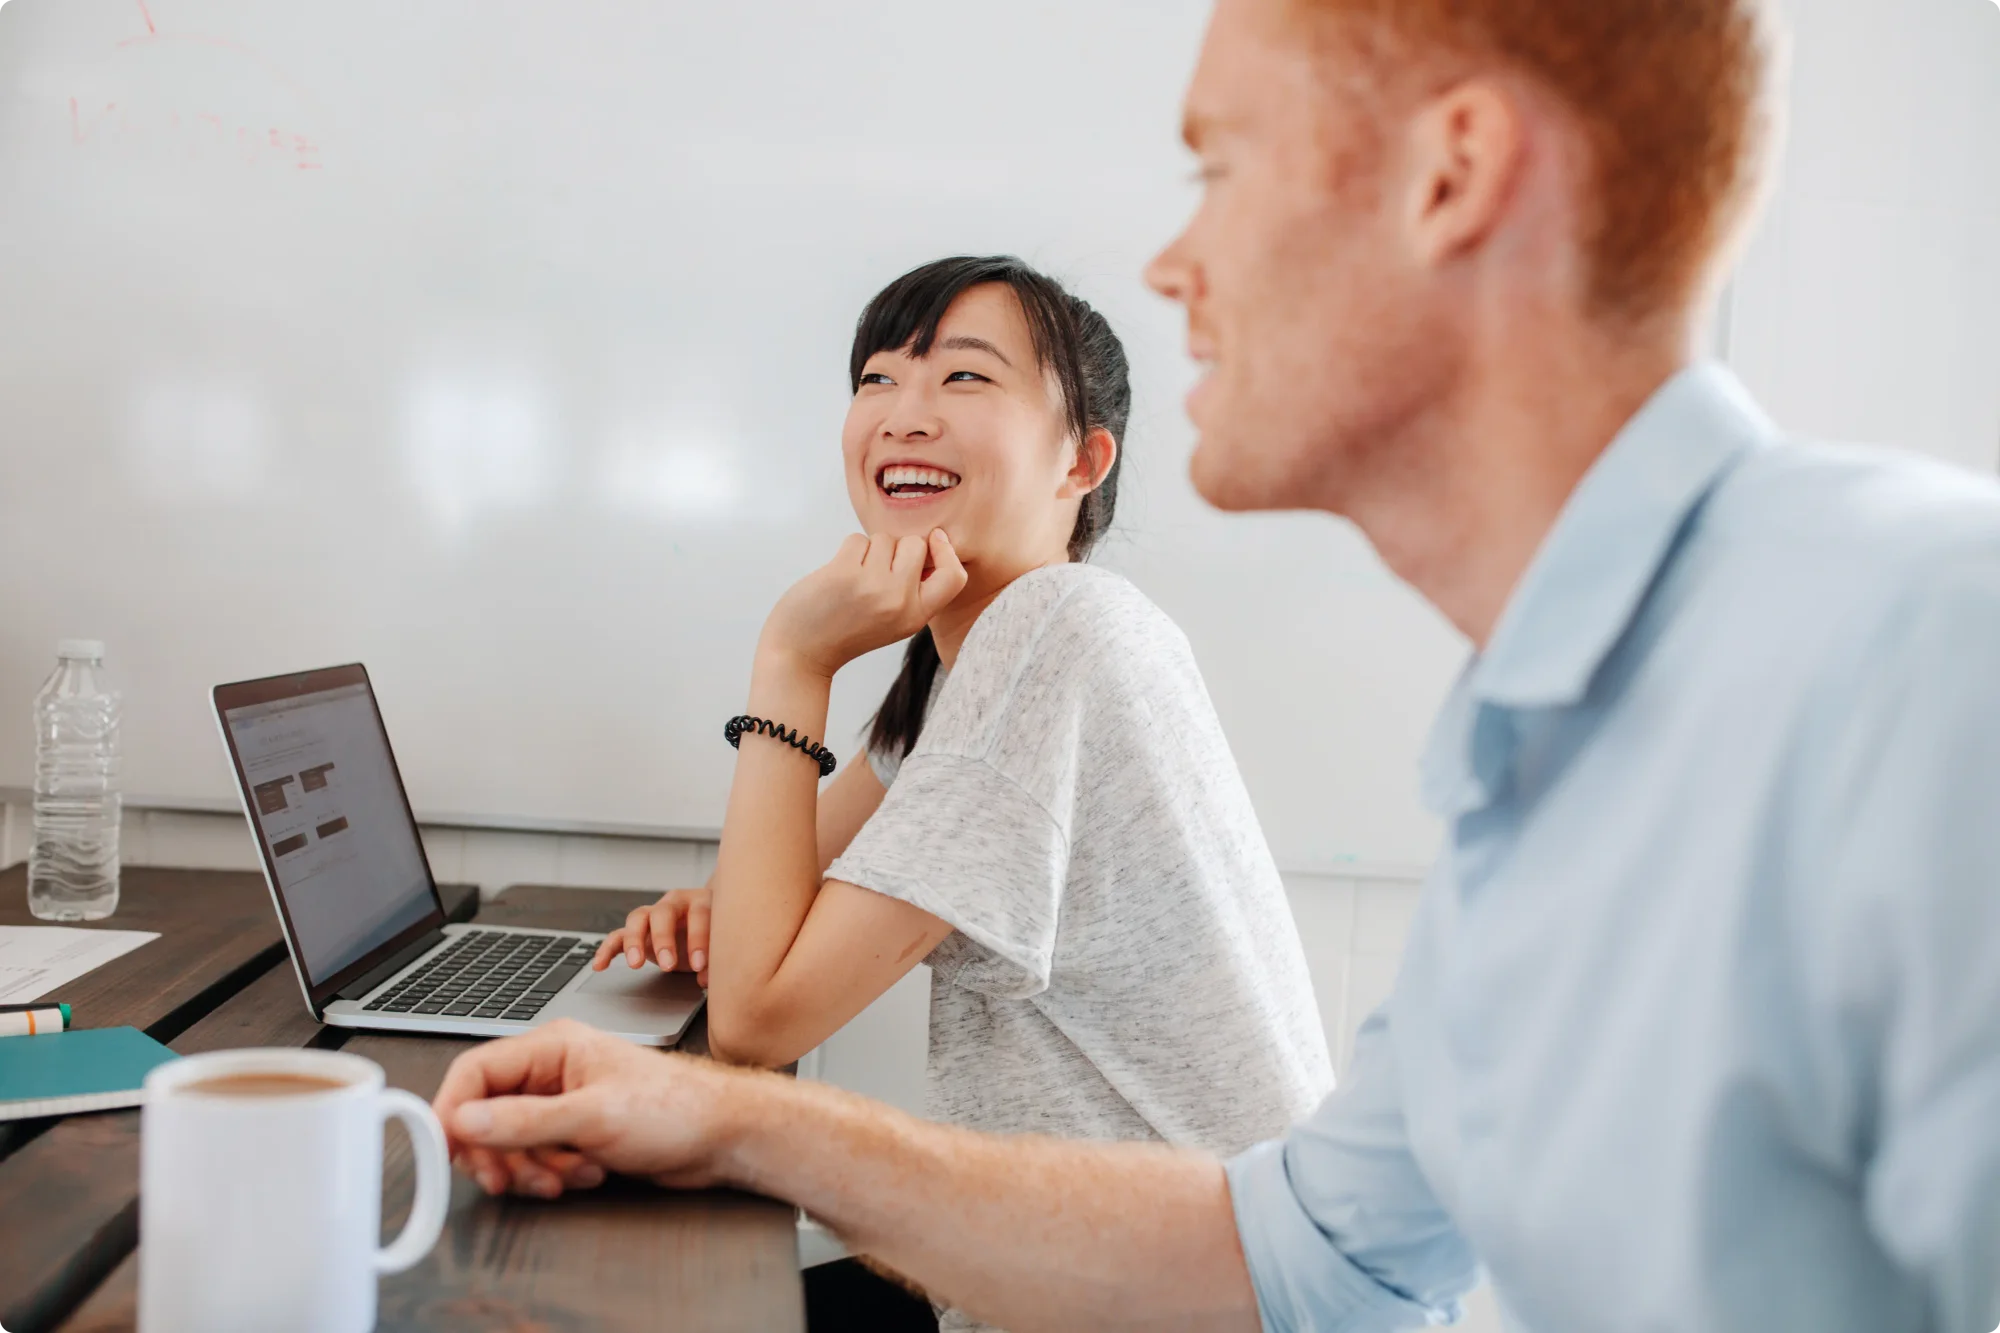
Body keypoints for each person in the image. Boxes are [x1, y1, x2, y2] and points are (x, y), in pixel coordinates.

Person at [434, 0, 2000, 1329]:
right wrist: (723, 1118)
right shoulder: (1534, 740)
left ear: (1450, 178)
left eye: (1218, 168)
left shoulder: (1927, 644)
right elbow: (1315, 1253)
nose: (1174, 267)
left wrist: (746, 1094)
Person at [583, 254, 1329, 1329]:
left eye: (965, 379)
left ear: (1082, 460)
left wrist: (792, 658)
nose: (903, 415)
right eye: (878, 379)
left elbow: (756, 1018)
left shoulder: (1053, 633)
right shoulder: (971, 665)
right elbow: (780, 913)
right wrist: (725, 912)